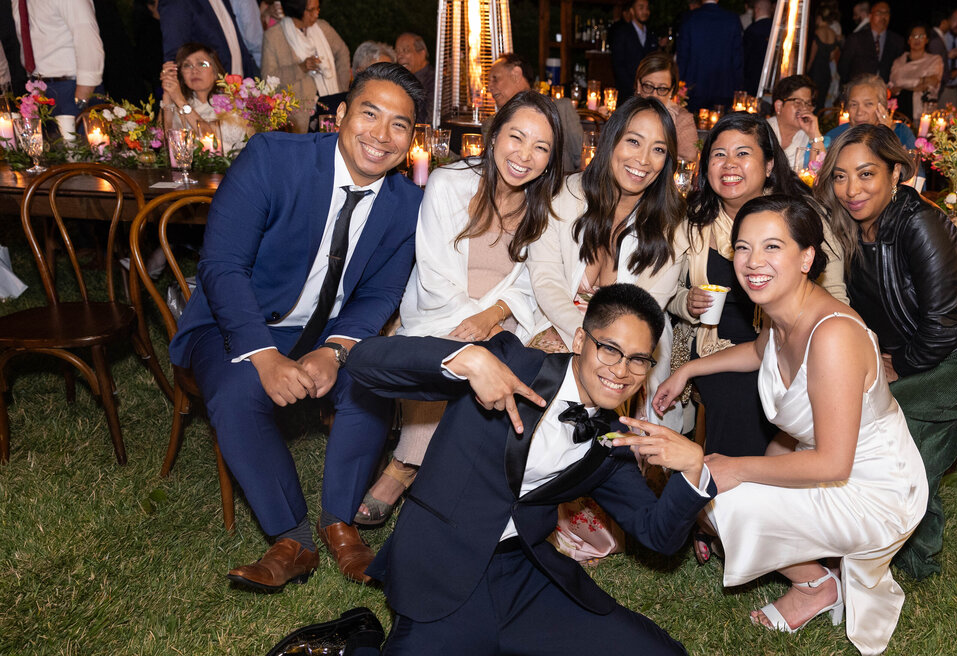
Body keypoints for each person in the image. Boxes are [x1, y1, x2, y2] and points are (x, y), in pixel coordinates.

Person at [253, 284, 716, 656]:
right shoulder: (510, 361)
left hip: (527, 581)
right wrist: (464, 359)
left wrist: (694, 472)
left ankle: (495, 639)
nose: (621, 369)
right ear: (582, 340)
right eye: (609, 348)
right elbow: (366, 364)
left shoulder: (612, 441)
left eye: (638, 359)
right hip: (444, 581)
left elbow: (657, 534)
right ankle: (358, 641)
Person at [167, 63, 425, 592]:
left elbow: (379, 293)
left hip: (329, 329)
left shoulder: (407, 205)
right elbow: (222, 267)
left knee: (373, 379)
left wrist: (335, 349)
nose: (381, 135)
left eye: (399, 125)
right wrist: (262, 354)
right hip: (237, 322)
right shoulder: (272, 159)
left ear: (412, 138)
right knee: (239, 394)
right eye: (370, 114)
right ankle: (292, 539)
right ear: (341, 115)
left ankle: (339, 524)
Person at [655, 194, 925, 655]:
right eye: (742, 247)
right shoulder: (784, 312)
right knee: (702, 482)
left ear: (807, 258)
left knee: (713, 491)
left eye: (772, 247)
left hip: (874, 488)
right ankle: (815, 571)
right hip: (826, 466)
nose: (752, 262)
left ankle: (816, 586)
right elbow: (761, 352)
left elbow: (834, 462)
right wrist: (689, 370)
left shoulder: (833, 334)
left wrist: (737, 468)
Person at [815, 124, 957, 580]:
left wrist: (899, 366)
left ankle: (909, 556)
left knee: (889, 419)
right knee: (908, 436)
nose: (852, 189)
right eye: (840, 176)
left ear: (896, 173)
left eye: (866, 174)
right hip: (926, 350)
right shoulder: (847, 228)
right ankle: (897, 552)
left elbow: (944, 321)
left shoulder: (920, 223)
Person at [355, 91, 565, 526]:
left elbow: (534, 283)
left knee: (501, 355)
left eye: (540, 147)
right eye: (516, 137)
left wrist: (491, 318)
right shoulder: (449, 182)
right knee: (451, 349)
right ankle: (409, 464)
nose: (525, 156)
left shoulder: (547, 207)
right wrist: (472, 325)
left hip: (509, 322)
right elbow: (435, 273)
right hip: (438, 310)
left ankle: (425, 474)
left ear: (551, 158)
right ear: (493, 137)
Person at [668, 113, 845, 471]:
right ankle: (724, 499)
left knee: (780, 396)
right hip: (714, 343)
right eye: (718, 155)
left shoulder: (800, 216)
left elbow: (835, 294)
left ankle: (750, 494)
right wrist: (686, 303)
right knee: (741, 395)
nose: (729, 165)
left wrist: (817, 351)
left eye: (742, 154)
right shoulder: (692, 220)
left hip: (788, 343)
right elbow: (664, 292)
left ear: (767, 165)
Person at [526, 96, 686, 429]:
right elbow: (546, 280)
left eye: (658, 150)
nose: (643, 160)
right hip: (557, 322)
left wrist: (604, 352)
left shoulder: (670, 227)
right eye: (633, 142)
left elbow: (648, 310)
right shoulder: (565, 196)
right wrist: (579, 338)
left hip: (631, 346)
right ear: (611, 140)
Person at [11, 0, 104, 135]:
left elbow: (87, 35)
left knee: (83, 151)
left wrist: (83, 97)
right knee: (50, 152)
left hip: (72, 87)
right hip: (39, 89)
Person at [260, 0, 350, 132]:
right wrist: (301, 68)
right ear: (297, 10)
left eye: (318, 8)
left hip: (330, 105)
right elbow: (268, 79)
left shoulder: (322, 28)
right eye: (311, 10)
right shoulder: (274, 36)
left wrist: (341, 87)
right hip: (297, 116)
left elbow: (343, 52)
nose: (316, 14)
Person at [487, 52, 583, 173]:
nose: (489, 87)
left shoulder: (561, 108)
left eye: (495, 79)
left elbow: (583, 158)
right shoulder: (493, 122)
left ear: (516, 74)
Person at [160, 43, 254, 153]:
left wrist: (179, 100)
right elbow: (164, 143)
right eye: (187, 65)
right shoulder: (182, 104)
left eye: (201, 64)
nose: (194, 71)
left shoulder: (232, 104)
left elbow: (212, 143)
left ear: (215, 72)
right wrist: (168, 95)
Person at [308, 40, 395, 132]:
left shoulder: (394, 109)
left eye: (389, 73)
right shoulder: (328, 106)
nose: (385, 79)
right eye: (378, 73)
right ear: (359, 72)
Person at [159, 0, 257, 80]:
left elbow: (234, 43)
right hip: (207, 96)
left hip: (238, 90)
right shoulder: (177, 3)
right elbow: (176, 57)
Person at [676, 0, 744, 112]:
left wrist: (680, 86)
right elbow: (737, 59)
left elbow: (682, 57)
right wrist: (738, 88)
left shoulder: (689, 18)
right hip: (724, 88)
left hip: (694, 87)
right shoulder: (732, 19)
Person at [634, 51, 698, 162]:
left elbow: (688, 162)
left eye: (662, 89)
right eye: (648, 86)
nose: (654, 95)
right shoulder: (625, 114)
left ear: (672, 90)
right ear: (639, 85)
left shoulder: (682, 120)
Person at [823, 74, 916, 150]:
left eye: (868, 104)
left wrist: (887, 136)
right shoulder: (835, 137)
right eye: (853, 104)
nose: (859, 112)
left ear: (882, 107)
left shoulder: (902, 133)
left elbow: (915, 172)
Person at [768, 74, 825, 172]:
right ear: (779, 106)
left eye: (808, 103)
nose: (804, 108)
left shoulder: (809, 138)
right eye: (797, 102)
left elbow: (819, 173)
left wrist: (814, 134)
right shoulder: (762, 132)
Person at [837, 2, 904, 84]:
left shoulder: (897, 41)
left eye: (886, 13)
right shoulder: (856, 39)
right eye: (879, 13)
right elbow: (843, 67)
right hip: (859, 89)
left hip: (884, 91)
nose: (883, 16)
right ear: (870, 16)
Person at [889, 24, 943, 122]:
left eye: (921, 36)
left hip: (920, 110)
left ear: (927, 40)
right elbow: (895, 82)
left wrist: (902, 86)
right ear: (908, 40)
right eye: (914, 36)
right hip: (898, 109)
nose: (917, 39)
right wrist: (920, 82)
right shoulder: (899, 61)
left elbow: (932, 83)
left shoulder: (934, 60)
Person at [610, 0, 658, 103]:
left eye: (647, 8)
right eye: (641, 7)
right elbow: (618, 65)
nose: (645, 11)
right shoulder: (622, 33)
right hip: (627, 94)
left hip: (649, 93)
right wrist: (634, 87)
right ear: (632, 11)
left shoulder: (652, 34)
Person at [394, 32, 434, 124]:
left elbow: (428, 120)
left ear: (422, 53)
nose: (399, 56)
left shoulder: (434, 82)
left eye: (405, 50)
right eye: (397, 51)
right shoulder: (399, 79)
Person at [807, 1, 841, 108]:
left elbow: (812, 56)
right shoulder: (832, 33)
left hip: (816, 71)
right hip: (826, 72)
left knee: (812, 100)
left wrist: (806, 70)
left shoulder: (818, 32)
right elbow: (832, 57)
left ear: (819, 17)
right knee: (821, 101)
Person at [741, 0, 773, 96]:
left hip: (753, 79)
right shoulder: (776, 29)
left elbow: (744, 58)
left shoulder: (751, 31)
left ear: (756, 10)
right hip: (771, 78)